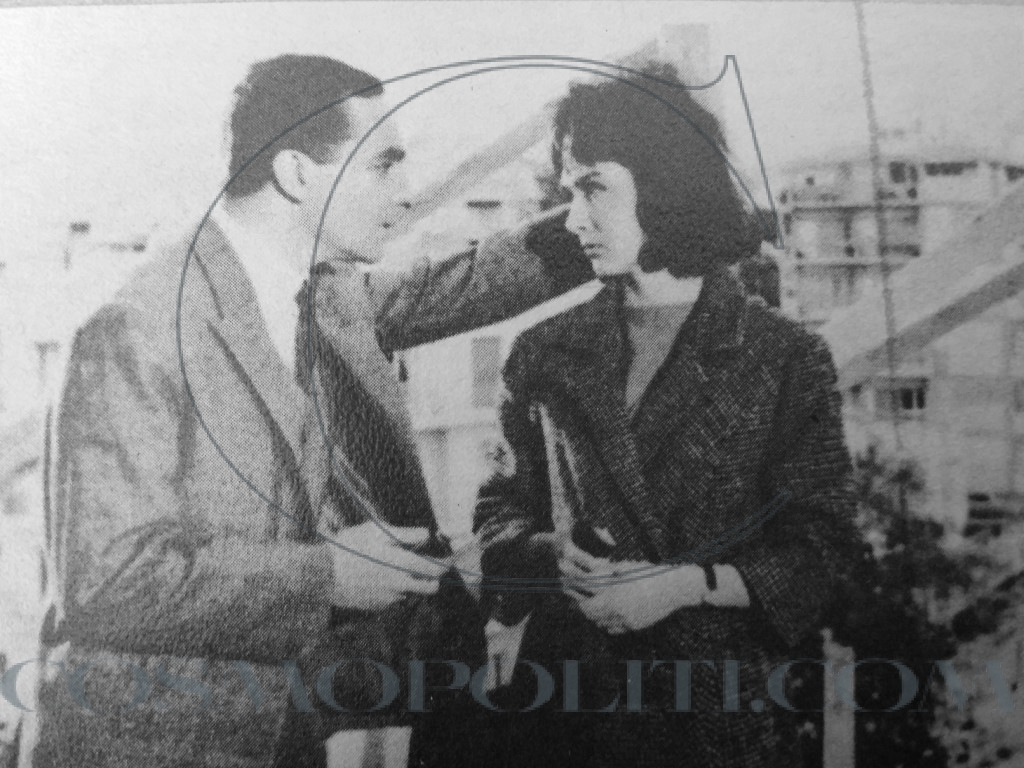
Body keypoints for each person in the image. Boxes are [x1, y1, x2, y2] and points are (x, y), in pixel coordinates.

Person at [34, 54, 585, 768]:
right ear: (296, 174)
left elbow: (465, 283)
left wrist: (644, 207)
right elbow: (108, 582)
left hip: (275, 734)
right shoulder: (137, 327)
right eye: (383, 166)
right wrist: (328, 575)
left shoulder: (322, 294)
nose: (405, 195)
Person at [474, 63, 857, 768]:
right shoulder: (543, 352)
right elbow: (498, 514)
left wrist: (685, 587)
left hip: (714, 722)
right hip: (562, 715)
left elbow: (825, 552)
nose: (574, 219)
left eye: (594, 188)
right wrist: (548, 553)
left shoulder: (784, 357)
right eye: (569, 192)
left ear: (667, 183)